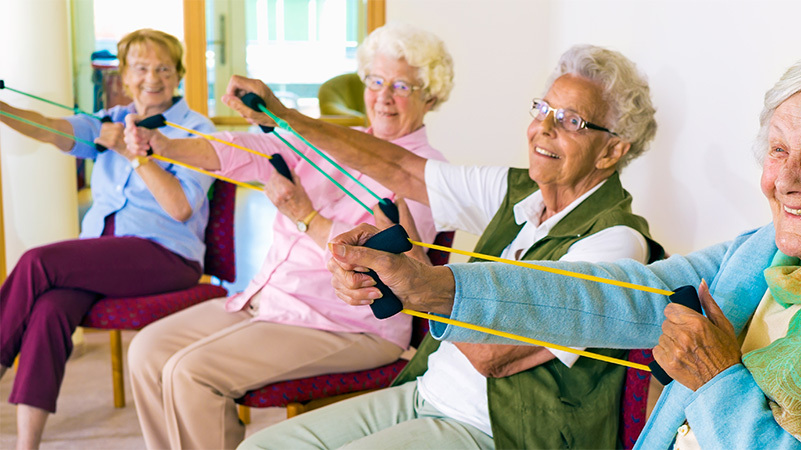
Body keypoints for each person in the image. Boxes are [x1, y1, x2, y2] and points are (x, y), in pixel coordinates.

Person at [324, 54, 801, 449]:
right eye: (778, 149)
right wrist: (435, 289)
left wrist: (719, 382)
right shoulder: (767, 251)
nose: (786, 178)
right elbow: (614, 296)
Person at [236, 44, 664, 449]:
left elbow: (493, 355)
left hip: (501, 428)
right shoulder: (519, 190)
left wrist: (418, 277)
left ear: (612, 150)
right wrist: (286, 117)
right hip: (425, 393)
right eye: (542, 108)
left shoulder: (614, 243)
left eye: (571, 120)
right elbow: (397, 165)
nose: (543, 128)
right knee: (260, 444)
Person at [120, 22, 451, 450]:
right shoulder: (339, 141)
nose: (384, 96)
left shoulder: (427, 172)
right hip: (271, 300)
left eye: (402, 85)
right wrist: (163, 147)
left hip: (347, 325)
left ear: (431, 94)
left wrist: (304, 215)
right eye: (375, 80)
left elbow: (382, 263)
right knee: (147, 351)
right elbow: (244, 151)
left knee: (189, 371)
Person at [0, 29, 214, 450]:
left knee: (37, 262)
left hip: (167, 255)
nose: (153, 77)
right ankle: (26, 445)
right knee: (49, 308)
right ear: (124, 75)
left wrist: (136, 154)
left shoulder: (195, 129)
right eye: (141, 68)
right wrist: (2, 108)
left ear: (178, 76)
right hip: (105, 257)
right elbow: (46, 128)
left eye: (163, 69)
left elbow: (181, 208)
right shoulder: (109, 121)